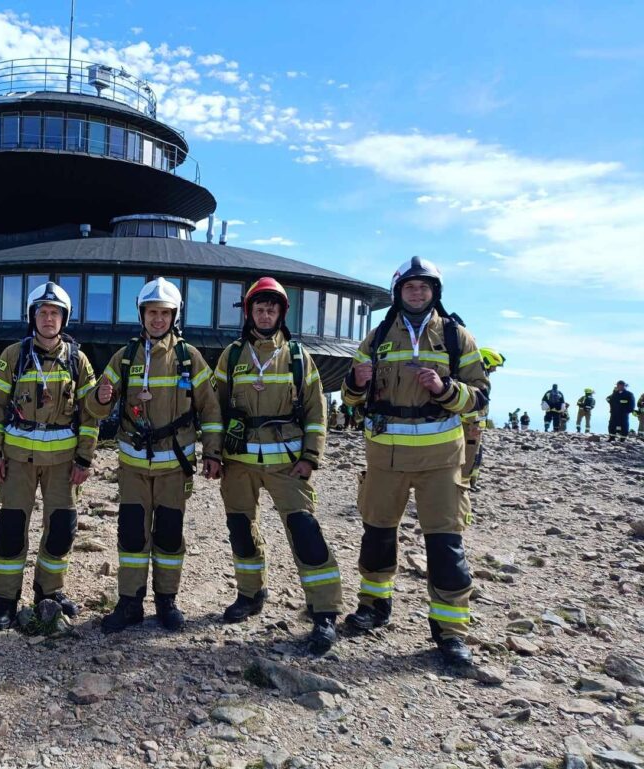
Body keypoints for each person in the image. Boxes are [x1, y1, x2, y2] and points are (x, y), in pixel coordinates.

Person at [341, 257, 488, 665]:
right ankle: (374, 606)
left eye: (424, 287)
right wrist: (355, 383)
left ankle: (451, 632)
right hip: (384, 457)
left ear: (435, 292)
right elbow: (350, 398)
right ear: (398, 292)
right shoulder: (377, 337)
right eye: (410, 287)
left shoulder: (457, 337)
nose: (417, 293)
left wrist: (445, 389)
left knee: (444, 544)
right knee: (377, 536)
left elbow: (480, 397)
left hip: (441, 459)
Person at [214, 277, 342, 655]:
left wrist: (311, 456)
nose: (265, 314)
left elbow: (316, 410)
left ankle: (324, 612)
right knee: (241, 529)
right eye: (259, 308)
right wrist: (213, 454)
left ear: (281, 314)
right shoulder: (232, 356)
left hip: (288, 463)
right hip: (238, 463)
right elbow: (214, 410)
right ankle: (250, 595)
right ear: (249, 313)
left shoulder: (299, 357)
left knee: (305, 532)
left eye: (271, 309)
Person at [86, 278, 222, 633]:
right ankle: (130, 603)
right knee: (132, 534)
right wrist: (100, 398)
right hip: (133, 466)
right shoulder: (125, 356)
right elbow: (96, 404)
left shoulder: (189, 358)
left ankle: (166, 601)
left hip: (175, 467)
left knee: (169, 535)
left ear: (174, 316)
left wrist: (213, 453)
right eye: (151, 312)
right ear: (142, 315)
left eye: (164, 313)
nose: (158, 319)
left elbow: (210, 409)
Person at [0, 282, 99, 632]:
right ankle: (5, 602)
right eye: (43, 312)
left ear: (64, 319)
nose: (48, 318)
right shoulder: (12, 356)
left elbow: (90, 414)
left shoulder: (77, 360)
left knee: (61, 529)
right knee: (10, 529)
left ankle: (48, 594)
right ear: (32, 316)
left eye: (55, 313)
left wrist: (84, 459)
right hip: (17, 460)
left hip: (63, 463)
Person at [461, 347, 503, 488]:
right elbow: (471, 405)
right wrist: (473, 422)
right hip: (470, 425)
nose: (494, 370)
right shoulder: (474, 380)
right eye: (493, 366)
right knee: (469, 455)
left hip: (476, 425)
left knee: (476, 455)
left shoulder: (482, 379)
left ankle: (471, 482)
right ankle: (463, 484)